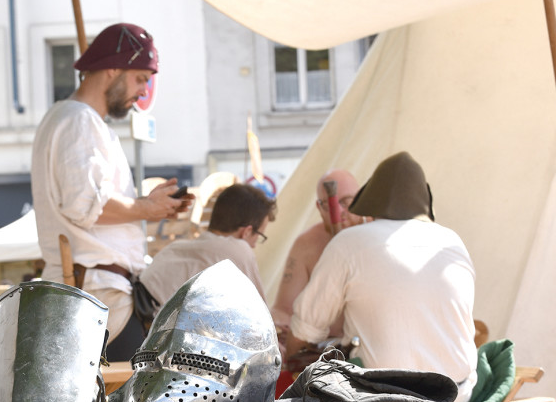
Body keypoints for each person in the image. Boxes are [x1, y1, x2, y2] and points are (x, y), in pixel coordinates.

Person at [30, 22, 192, 341]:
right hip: (96, 296)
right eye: (140, 79)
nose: (144, 91)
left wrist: (148, 204)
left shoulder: (77, 120)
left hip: (94, 294)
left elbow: (91, 200)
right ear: (113, 68)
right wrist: (146, 208)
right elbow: (86, 205)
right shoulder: (78, 120)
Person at [286, 151, 478, 402]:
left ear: (370, 202)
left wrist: (292, 362)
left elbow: (303, 332)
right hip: (456, 394)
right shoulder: (453, 241)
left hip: (384, 397)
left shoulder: (348, 242)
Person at [137, 182, 275, 309]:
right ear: (247, 232)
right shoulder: (238, 250)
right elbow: (260, 315)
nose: (254, 246)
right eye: (258, 236)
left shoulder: (174, 248)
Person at [270, 169, 365, 341]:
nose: (339, 212)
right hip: (324, 347)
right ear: (319, 208)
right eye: (330, 205)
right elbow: (284, 309)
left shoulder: (377, 236)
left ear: (361, 198)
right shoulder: (307, 244)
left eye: (347, 202)